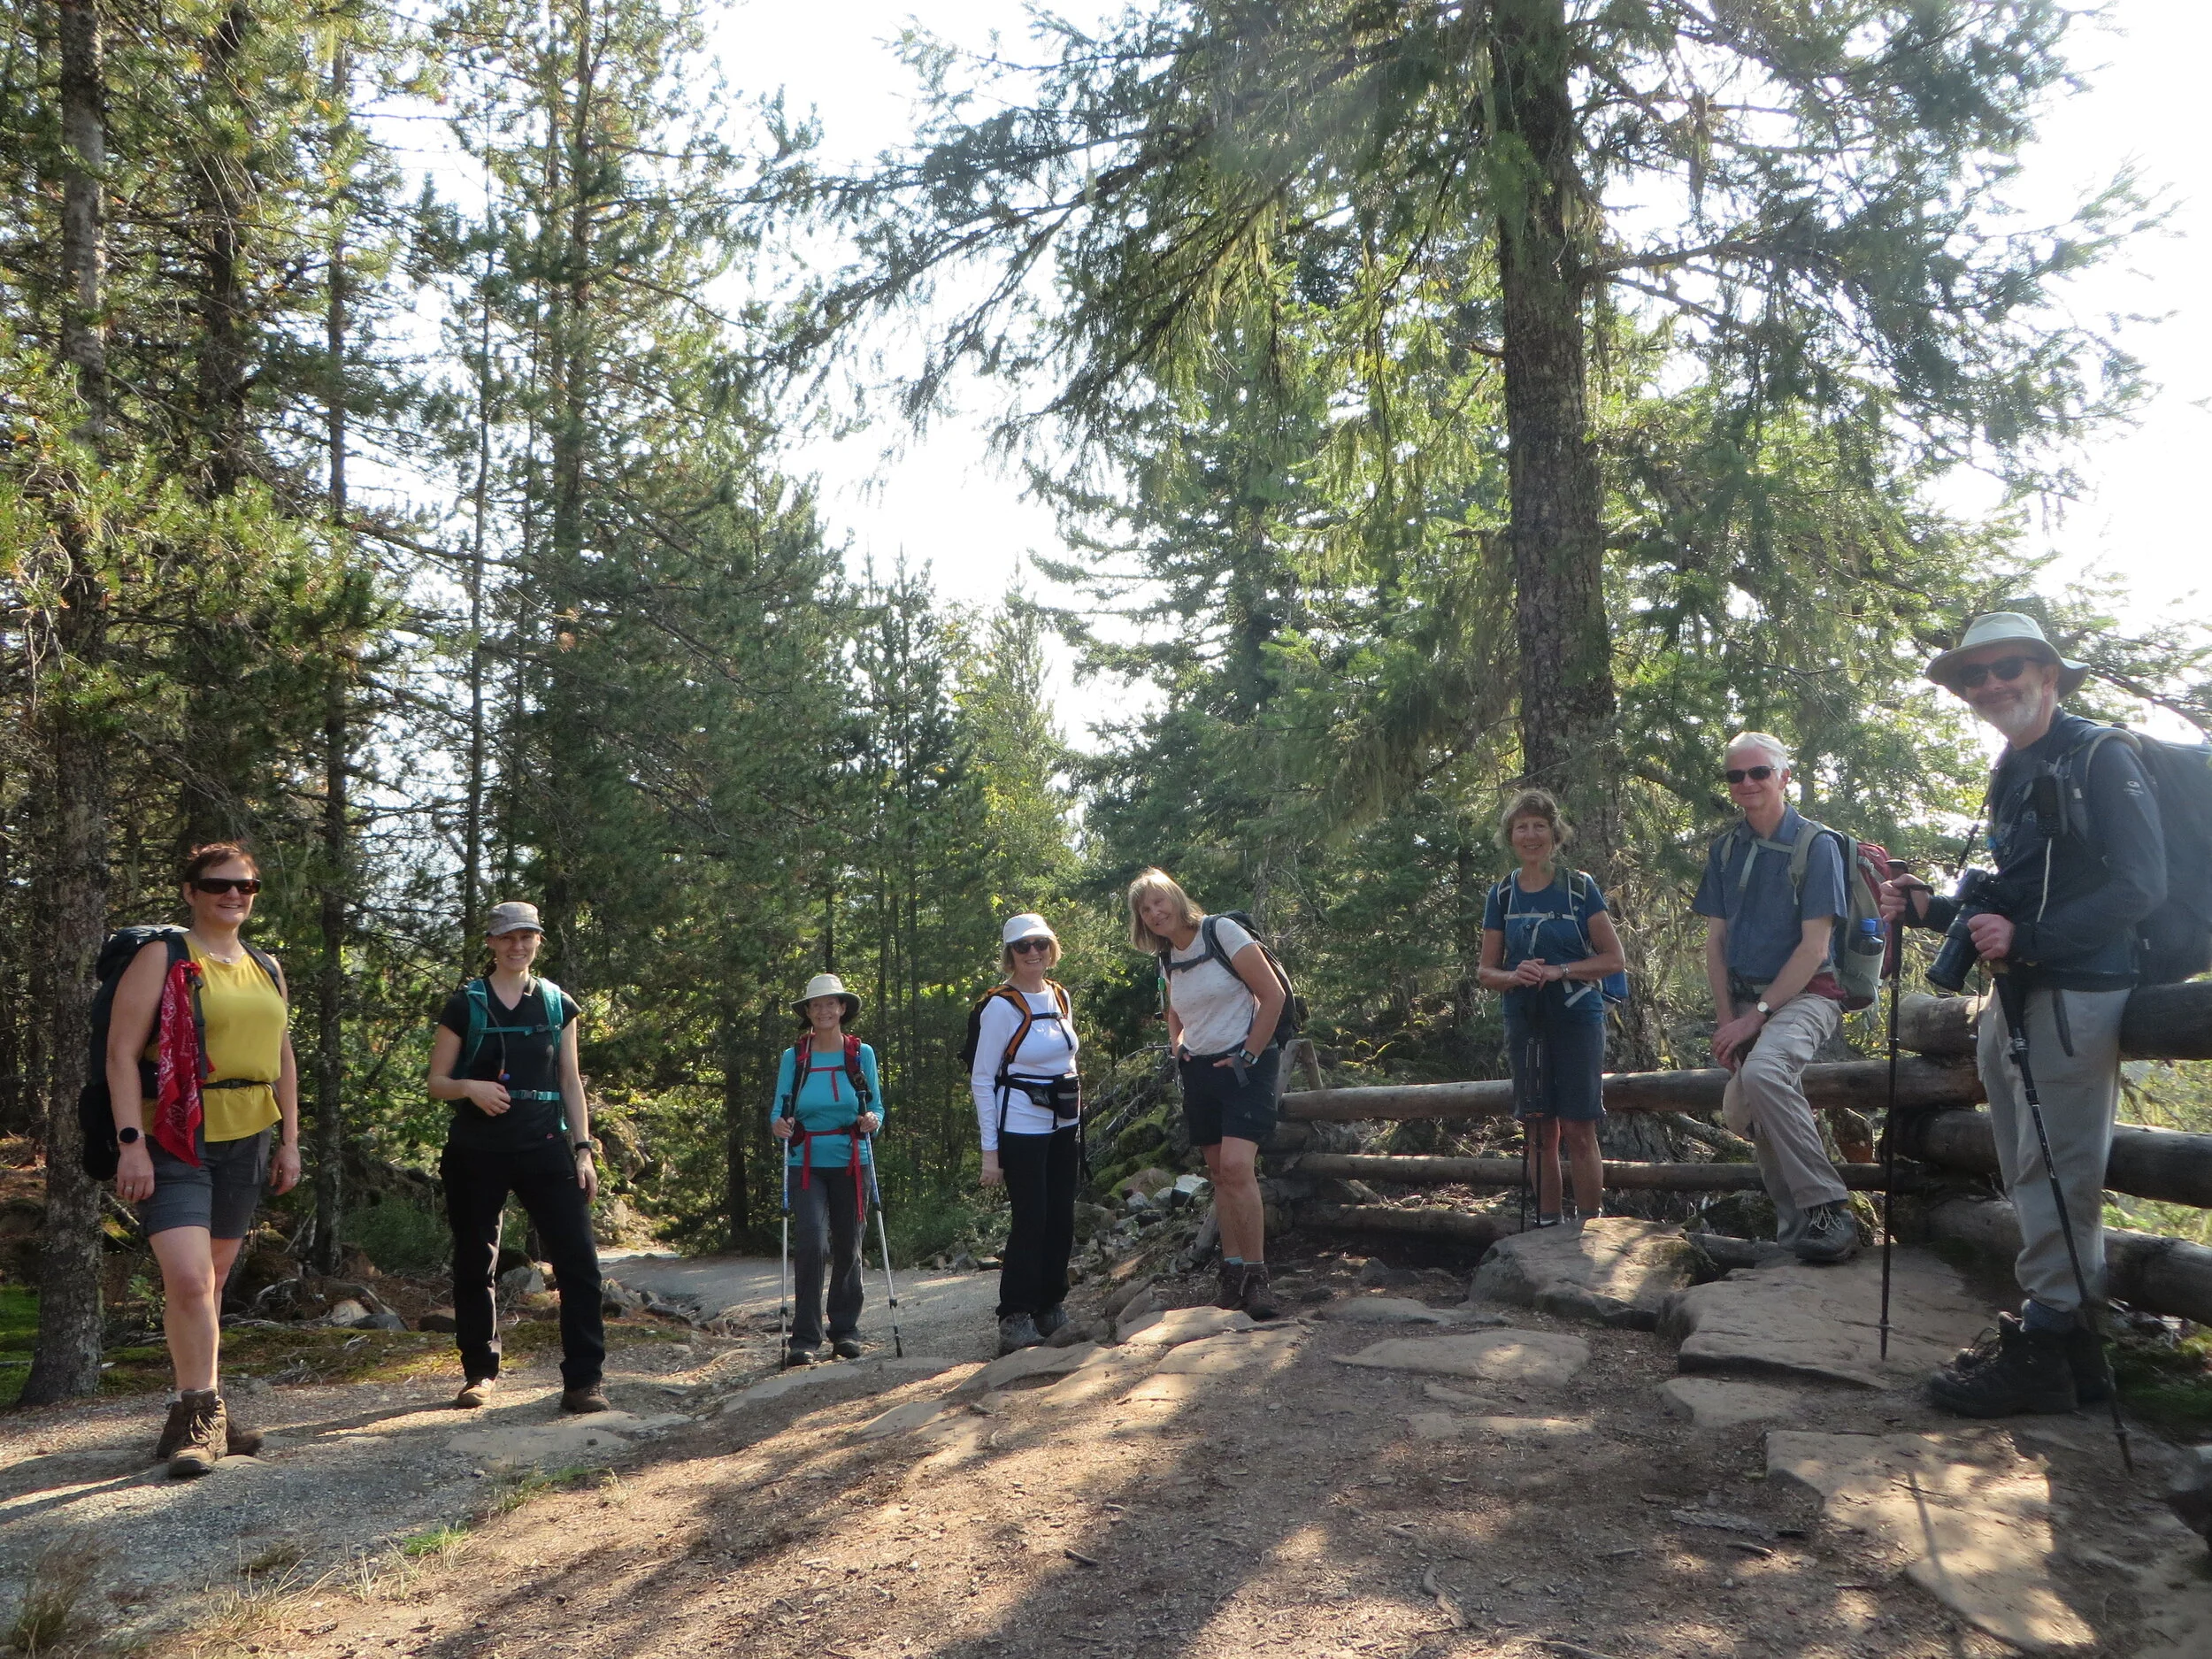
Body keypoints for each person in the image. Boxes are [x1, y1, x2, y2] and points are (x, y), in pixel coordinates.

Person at [1882, 612, 2165, 1417]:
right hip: (2019, 990)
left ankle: (2045, 1345)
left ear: (2047, 672)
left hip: (2078, 992)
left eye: (2008, 667)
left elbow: (2141, 885)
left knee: (2058, 1169)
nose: (1991, 684)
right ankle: (2069, 1353)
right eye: (1975, 675)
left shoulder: (2103, 756)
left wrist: (2032, 939)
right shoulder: (2016, 764)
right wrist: (1934, 907)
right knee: (2025, 1163)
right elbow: (2014, 887)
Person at [107, 842, 301, 1477]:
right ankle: (199, 1413)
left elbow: (282, 1057)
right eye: (218, 884)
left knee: (212, 1282)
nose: (234, 895)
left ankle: (198, 1409)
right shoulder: (163, 956)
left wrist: (291, 1139)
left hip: (249, 1134)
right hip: (174, 1133)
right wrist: (130, 1141)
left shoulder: (265, 964)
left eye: (246, 886)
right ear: (191, 890)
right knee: (189, 1279)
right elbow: (120, 1052)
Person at [427, 901, 607, 1414]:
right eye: (507, 937)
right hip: (476, 1152)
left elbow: (570, 1082)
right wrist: (470, 1088)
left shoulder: (557, 1004)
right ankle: (478, 1374)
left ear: (537, 942)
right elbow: (437, 1081)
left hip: (547, 1147)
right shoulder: (466, 1004)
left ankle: (583, 1380)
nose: (517, 945)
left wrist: (583, 1150)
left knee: (578, 1263)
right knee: (474, 1262)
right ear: (490, 942)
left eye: (526, 936)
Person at [1692, 733, 1861, 1264]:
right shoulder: (1725, 848)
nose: (1746, 784)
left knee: (1765, 1076)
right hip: (1743, 1003)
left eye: (1759, 773)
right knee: (1754, 1111)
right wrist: (1727, 1020)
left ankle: (1831, 1208)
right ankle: (1800, 1238)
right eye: (1735, 776)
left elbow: (1814, 949)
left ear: (1785, 776)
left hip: (1807, 995)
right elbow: (1715, 943)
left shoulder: (1817, 846)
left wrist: (1756, 1018)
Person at [1127, 868, 1288, 1319]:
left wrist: (1250, 1055)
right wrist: (1178, 1045)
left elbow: (1271, 996)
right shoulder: (1166, 959)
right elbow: (1172, 1009)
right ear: (1140, 920)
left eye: (1160, 901)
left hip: (1246, 1067)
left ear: (1177, 898)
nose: (1156, 912)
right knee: (1219, 1175)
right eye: (1145, 909)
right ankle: (1232, 1273)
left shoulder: (1222, 932)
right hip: (1200, 1071)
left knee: (1238, 1168)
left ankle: (1258, 1278)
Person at [1476, 790, 1625, 1229]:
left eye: (1539, 825)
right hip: (1525, 1019)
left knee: (1579, 1125)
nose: (1531, 834)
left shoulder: (1579, 887)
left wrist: (1560, 971)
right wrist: (1514, 976)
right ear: (1511, 836)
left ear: (1554, 834)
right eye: (1522, 826)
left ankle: (1590, 1225)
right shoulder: (1502, 894)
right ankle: (1547, 1224)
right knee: (1540, 1128)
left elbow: (1613, 959)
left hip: (1578, 1018)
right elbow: (1486, 971)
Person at [972, 914, 1082, 1356]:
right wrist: (989, 1152)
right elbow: (983, 1079)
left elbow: (1067, 1059)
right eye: (1023, 947)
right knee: (1031, 1218)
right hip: (1020, 1125)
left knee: (1062, 1216)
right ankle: (1015, 1315)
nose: (1033, 953)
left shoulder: (1059, 996)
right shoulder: (1000, 1006)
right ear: (1010, 955)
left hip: (1064, 1123)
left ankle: (1050, 1305)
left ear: (1051, 948)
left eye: (1040, 944)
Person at [771, 973, 883, 1366]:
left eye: (831, 1004)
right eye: (816, 1005)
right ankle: (804, 1337)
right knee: (812, 1244)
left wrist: (872, 1119)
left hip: (853, 1160)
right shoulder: (795, 1057)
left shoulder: (860, 1054)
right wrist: (779, 1125)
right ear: (808, 1012)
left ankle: (845, 1331)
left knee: (849, 1244)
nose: (823, 1010)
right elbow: (777, 1112)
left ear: (843, 1009)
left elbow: (878, 1106)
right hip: (806, 1164)